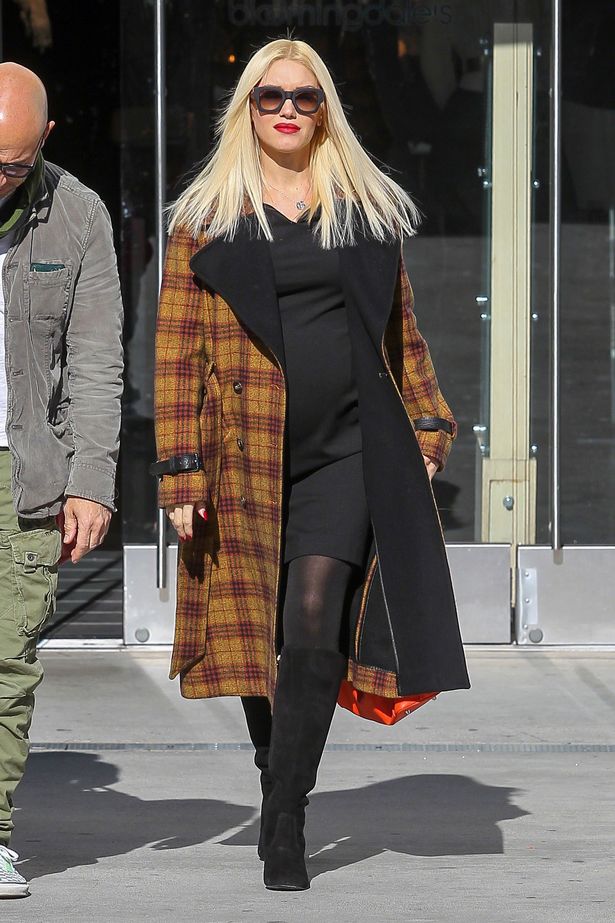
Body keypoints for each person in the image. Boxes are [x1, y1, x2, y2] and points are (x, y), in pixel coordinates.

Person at [153, 38, 469, 892]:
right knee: (260, 637)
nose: (286, 110)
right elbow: (176, 357)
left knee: (311, 616)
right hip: (244, 454)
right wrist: (180, 471)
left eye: (303, 97)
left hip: (347, 448)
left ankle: (286, 814)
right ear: (247, 110)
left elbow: (400, 333)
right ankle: (277, 769)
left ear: (324, 109)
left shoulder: (364, 210)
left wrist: (427, 428)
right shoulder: (204, 218)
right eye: (270, 97)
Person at [0, 63, 123, 897]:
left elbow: (96, 361)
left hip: (23, 473)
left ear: (44, 141)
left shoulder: (77, 215)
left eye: (11, 165)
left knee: (7, 659)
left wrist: (92, 479)